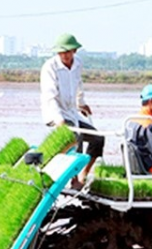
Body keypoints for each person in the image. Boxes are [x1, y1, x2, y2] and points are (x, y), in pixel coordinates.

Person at [40, 33, 104, 189]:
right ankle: (73, 180)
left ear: (74, 51)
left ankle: (83, 176)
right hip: (56, 113)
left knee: (98, 138)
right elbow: (50, 96)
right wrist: (59, 119)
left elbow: (78, 85)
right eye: (61, 52)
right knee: (77, 137)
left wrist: (81, 103)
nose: (65, 55)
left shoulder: (77, 64)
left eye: (68, 52)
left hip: (72, 111)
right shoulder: (50, 67)